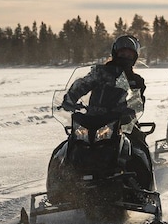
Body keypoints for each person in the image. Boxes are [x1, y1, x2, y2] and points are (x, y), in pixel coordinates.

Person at [60, 34, 152, 166]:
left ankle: (145, 179)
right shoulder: (100, 72)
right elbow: (83, 84)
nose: (125, 57)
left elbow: (137, 100)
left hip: (122, 121)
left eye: (129, 55)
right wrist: (70, 99)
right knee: (71, 143)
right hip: (93, 117)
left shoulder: (136, 80)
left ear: (134, 57)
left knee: (138, 144)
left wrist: (129, 110)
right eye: (122, 53)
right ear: (115, 53)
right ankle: (59, 175)